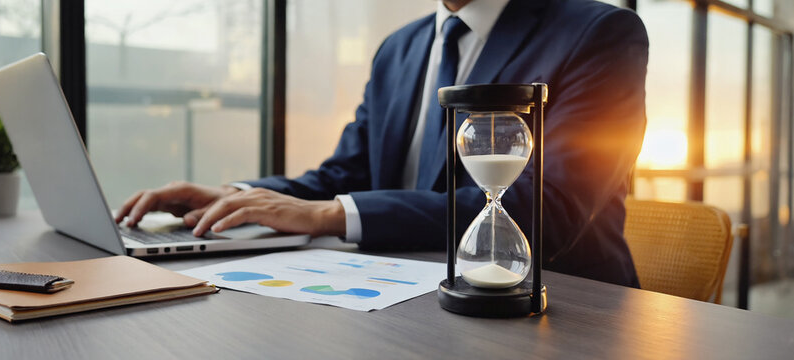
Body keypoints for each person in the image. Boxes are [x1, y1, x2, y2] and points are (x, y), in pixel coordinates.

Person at [115, 0, 648, 287]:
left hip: (565, 309)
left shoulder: (601, 34)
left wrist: (327, 216)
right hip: (408, 293)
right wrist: (234, 194)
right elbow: (344, 176)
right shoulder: (400, 47)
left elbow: (545, 210)